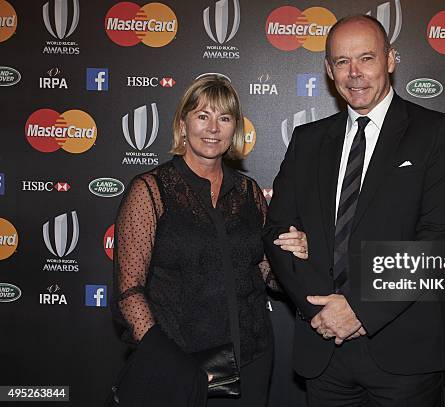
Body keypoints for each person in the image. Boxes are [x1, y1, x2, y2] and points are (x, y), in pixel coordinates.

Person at [263, 15, 445, 407]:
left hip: (404, 352)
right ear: (328, 69)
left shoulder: (433, 132)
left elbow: (436, 240)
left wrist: (357, 309)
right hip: (324, 350)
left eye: (366, 58)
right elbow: (276, 231)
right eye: (341, 61)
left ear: (390, 60)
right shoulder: (308, 140)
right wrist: (318, 310)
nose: (354, 73)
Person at [112, 75, 309, 407]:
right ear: (183, 124)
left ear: (234, 130)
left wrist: (295, 254)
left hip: (252, 359)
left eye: (224, 117)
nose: (213, 127)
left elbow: (268, 274)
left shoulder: (248, 193)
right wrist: (166, 357)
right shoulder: (150, 190)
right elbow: (129, 290)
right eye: (203, 115)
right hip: (180, 362)